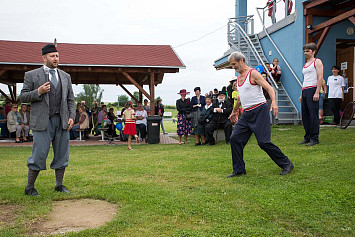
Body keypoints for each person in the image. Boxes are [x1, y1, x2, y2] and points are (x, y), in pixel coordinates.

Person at [19, 44, 76, 196]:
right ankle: (29, 187)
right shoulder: (32, 75)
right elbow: (23, 96)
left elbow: (71, 99)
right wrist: (38, 91)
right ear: (44, 58)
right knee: (39, 154)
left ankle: (59, 185)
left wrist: (71, 116)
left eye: (57, 56)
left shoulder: (65, 76)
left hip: (62, 120)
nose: (56, 58)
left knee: (62, 154)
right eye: (52, 56)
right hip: (42, 121)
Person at [228, 51, 293, 177]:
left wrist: (274, 102)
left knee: (263, 142)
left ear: (241, 60)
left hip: (260, 111)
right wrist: (234, 112)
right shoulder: (239, 78)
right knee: (235, 139)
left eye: (234, 64)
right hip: (246, 114)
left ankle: (286, 163)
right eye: (231, 65)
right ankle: (239, 170)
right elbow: (241, 98)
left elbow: (270, 88)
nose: (233, 67)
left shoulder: (253, 73)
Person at [298, 43, 324, 146]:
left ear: (313, 51)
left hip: (313, 89)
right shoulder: (305, 64)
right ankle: (307, 137)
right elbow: (305, 80)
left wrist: (317, 92)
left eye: (307, 51)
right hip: (305, 90)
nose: (305, 53)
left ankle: (314, 138)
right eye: (304, 51)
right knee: (305, 115)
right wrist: (301, 94)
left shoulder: (317, 61)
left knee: (313, 115)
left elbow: (320, 77)